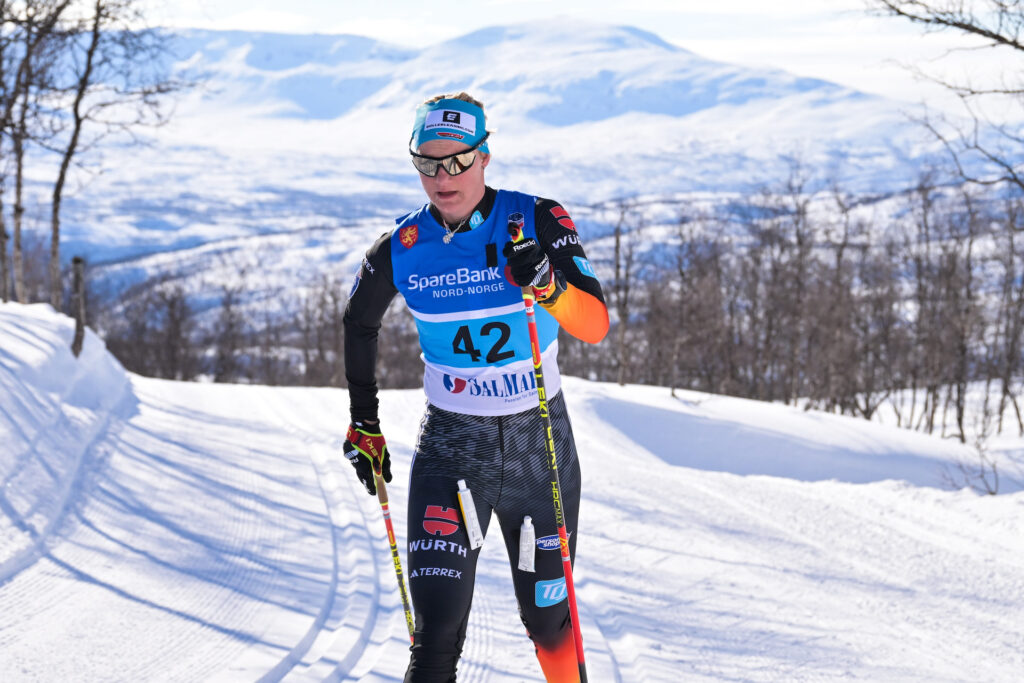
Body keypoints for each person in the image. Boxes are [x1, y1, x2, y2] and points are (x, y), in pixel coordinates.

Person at [342, 91, 608, 683]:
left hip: (538, 447)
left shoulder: (536, 219)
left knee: (549, 624)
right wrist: (365, 422)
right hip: (451, 448)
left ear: (484, 156)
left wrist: (546, 284)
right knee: (435, 635)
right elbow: (358, 322)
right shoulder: (402, 247)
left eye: (458, 160)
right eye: (428, 163)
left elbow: (595, 324)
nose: (444, 177)